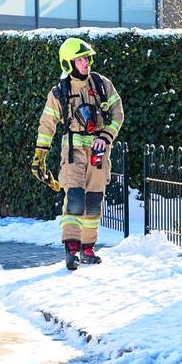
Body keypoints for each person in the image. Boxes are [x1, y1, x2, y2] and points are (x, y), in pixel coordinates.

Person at [31, 37, 125, 271]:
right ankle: (71, 249)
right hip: (72, 152)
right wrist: (40, 154)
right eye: (80, 59)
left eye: (86, 58)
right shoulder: (59, 93)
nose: (86, 62)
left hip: (99, 152)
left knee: (94, 201)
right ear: (69, 64)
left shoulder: (103, 85)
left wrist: (105, 137)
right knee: (74, 199)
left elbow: (118, 114)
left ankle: (88, 248)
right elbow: (47, 123)